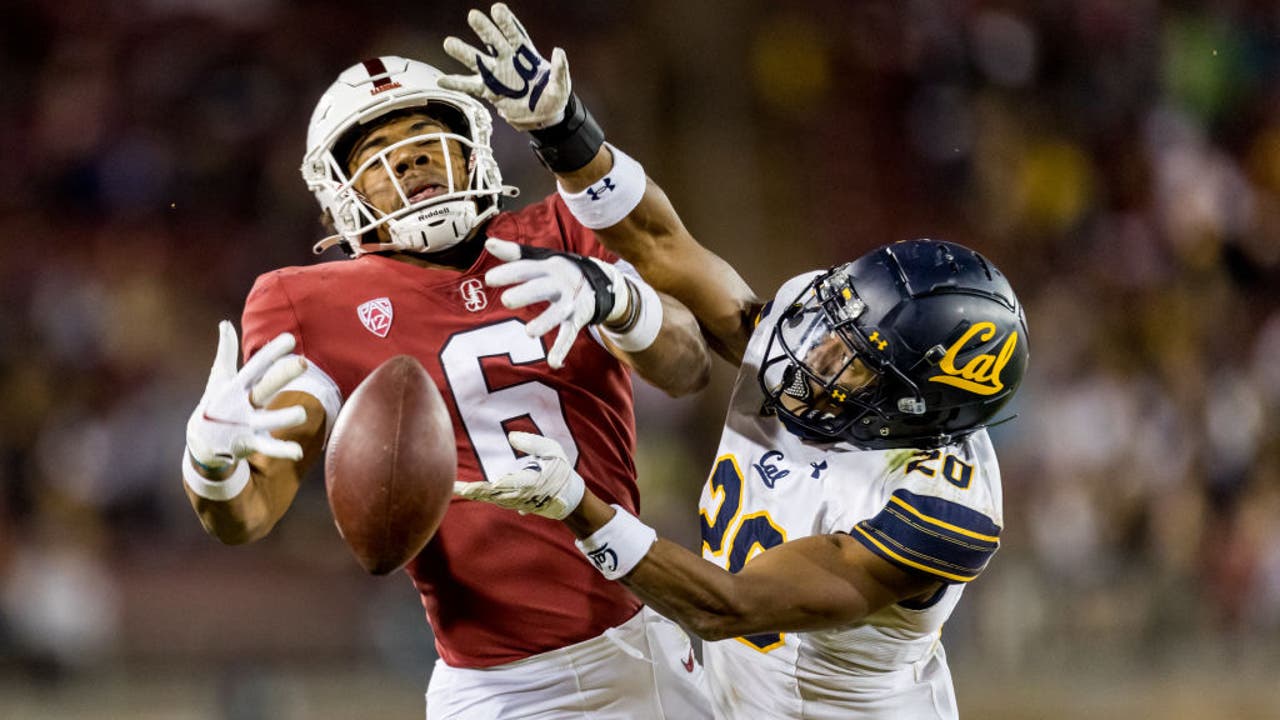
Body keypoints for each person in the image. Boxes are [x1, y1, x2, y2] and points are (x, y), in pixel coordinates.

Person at [180, 4, 718, 717]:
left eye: (427, 134)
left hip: (633, 640)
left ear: (477, 147)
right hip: (487, 682)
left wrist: (619, 300)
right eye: (376, 154)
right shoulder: (306, 302)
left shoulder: (559, 227)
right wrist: (211, 470)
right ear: (336, 197)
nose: (409, 156)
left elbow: (689, 367)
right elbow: (248, 514)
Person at [456, 237, 1030, 719]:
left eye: (855, 359)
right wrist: (562, 131)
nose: (817, 352)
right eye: (832, 324)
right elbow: (664, 242)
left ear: (913, 403)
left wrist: (580, 507)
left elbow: (725, 607)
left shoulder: (936, 507)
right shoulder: (810, 364)